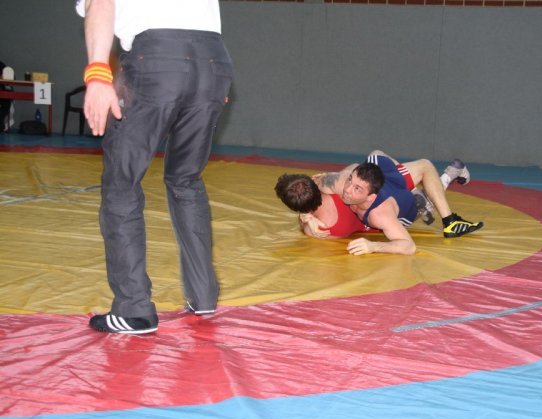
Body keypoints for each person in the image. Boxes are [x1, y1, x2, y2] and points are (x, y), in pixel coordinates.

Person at [76, 0, 233, 334]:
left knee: (122, 183)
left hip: (158, 59)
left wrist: (97, 74)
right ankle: (204, 295)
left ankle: (134, 309)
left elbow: (99, 3)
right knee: (186, 179)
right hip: (214, 63)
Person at [275, 151, 482, 254]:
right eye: (349, 183)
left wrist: (373, 246)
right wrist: (306, 214)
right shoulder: (333, 182)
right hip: (379, 186)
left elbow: (409, 246)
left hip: (390, 198)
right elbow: (352, 168)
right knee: (377, 157)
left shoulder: (375, 213)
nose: (347, 191)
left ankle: (446, 217)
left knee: (382, 158)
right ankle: (446, 178)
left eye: (354, 187)